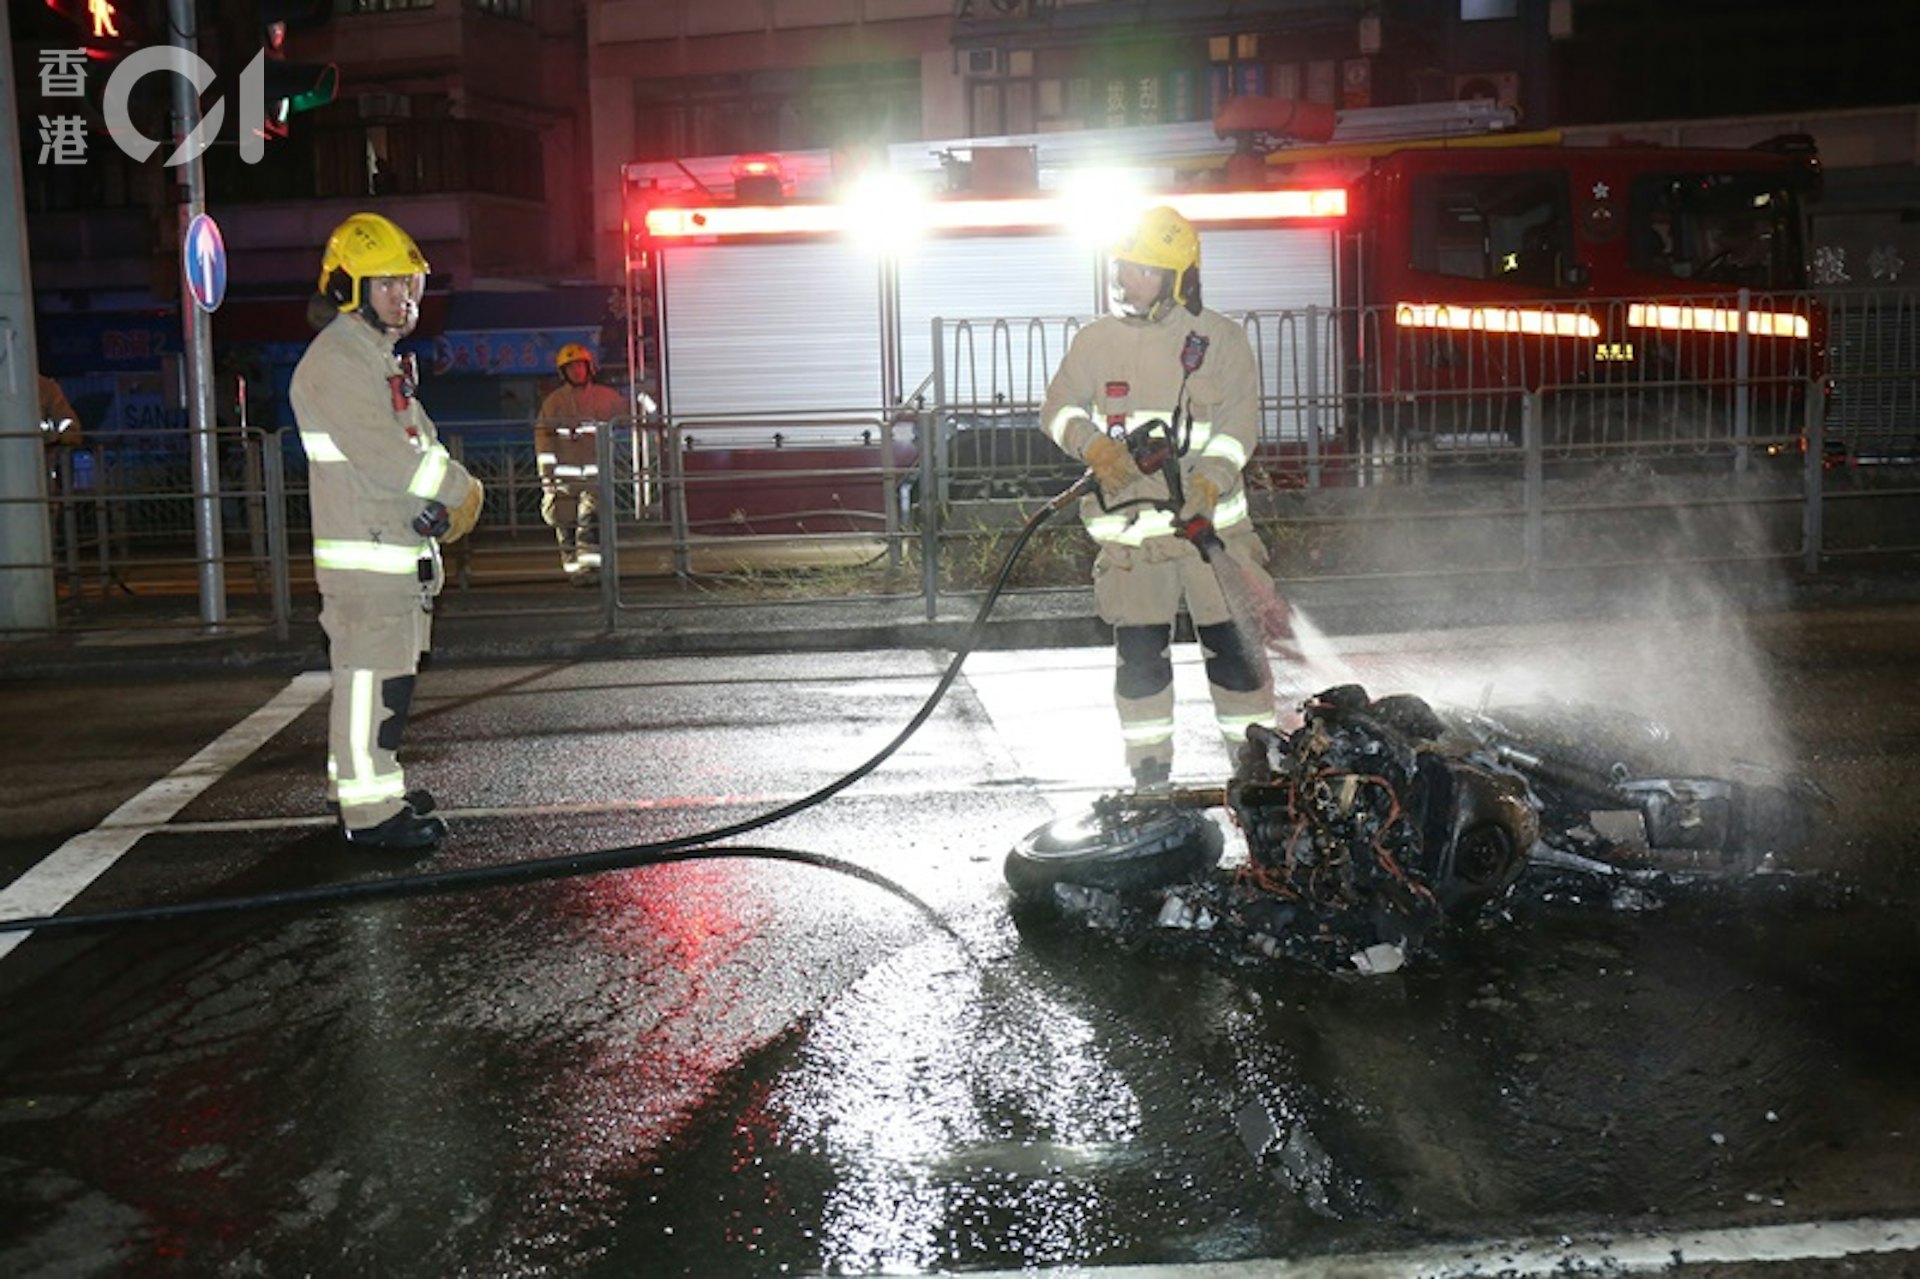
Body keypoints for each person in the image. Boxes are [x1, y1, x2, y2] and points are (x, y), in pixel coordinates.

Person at [1036, 205, 1275, 788]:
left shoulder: (1221, 339)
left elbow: (1239, 426)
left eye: (1139, 269)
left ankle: (1256, 778)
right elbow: (1057, 409)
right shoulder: (1095, 341)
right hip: (1133, 547)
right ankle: (1150, 779)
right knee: (1141, 662)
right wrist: (1093, 446)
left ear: (1176, 276)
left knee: (1235, 657)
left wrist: (1210, 481)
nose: (1123, 279)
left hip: (1209, 534)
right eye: (1123, 266)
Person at [290, 212, 484, 851]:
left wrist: (445, 493)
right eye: (388, 284)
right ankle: (371, 814)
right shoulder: (340, 361)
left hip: (388, 544)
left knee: (378, 674)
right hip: (368, 551)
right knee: (375, 677)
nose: (403, 297)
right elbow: (394, 456)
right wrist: (460, 490)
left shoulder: (372, 356)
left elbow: (415, 437)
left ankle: (361, 785)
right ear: (349, 287)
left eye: (408, 284)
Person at [534, 343, 624, 585]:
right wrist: (547, 478)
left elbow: (630, 415)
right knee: (565, 527)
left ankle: (591, 571)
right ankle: (574, 571)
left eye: (581, 366)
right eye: (571, 367)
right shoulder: (554, 403)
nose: (577, 371)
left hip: (595, 478)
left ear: (589, 368)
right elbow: (543, 442)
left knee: (589, 522)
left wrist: (649, 404)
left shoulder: (606, 398)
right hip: (564, 480)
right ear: (563, 372)